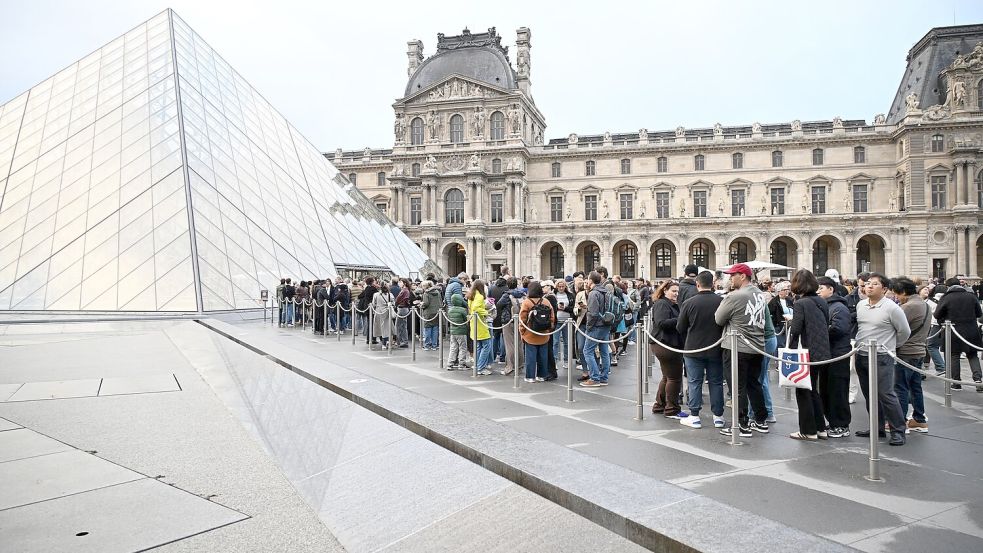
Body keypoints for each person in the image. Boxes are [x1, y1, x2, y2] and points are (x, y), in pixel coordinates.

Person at [854, 273, 910, 446]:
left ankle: (898, 431)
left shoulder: (892, 308)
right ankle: (876, 427)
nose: (869, 286)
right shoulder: (861, 305)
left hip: (882, 356)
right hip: (861, 354)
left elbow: (904, 332)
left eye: (875, 284)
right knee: (869, 395)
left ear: (884, 289)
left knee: (886, 394)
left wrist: (890, 346)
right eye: (868, 283)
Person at [714, 263, 769, 438]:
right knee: (754, 383)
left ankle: (741, 423)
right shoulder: (760, 294)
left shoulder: (735, 296)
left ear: (742, 276)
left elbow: (718, 319)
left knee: (737, 386)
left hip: (737, 346)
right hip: (757, 346)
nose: (730, 278)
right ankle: (761, 420)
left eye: (733, 275)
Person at [676, 271, 725, 429]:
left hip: (694, 347)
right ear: (713, 284)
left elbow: (680, 327)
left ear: (697, 284)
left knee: (694, 382)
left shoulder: (689, 303)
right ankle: (718, 416)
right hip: (716, 347)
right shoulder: (721, 301)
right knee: (716, 382)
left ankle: (695, 415)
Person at [786, 270, 830, 441]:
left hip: (806, 351)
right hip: (822, 351)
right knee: (813, 391)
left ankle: (807, 430)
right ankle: (820, 428)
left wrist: (789, 350)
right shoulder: (821, 301)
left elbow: (796, 329)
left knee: (803, 390)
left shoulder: (801, 303)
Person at [891, 277, 931, 433]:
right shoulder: (924, 304)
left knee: (900, 387)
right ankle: (919, 420)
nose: (896, 298)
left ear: (903, 292)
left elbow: (894, 327)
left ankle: (900, 421)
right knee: (915, 386)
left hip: (906, 352)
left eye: (896, 294)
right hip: (919, 350)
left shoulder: (908, 307)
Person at [817, 276, 852, 438]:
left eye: (821, 288)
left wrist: (819, 330)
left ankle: (841, 424)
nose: (818, 291)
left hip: (838, 354)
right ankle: (832, 421)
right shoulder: (827, 305)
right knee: (826, 389)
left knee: (838, 390)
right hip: (828, 353)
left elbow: (839, 328)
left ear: (831, 289)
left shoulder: (839, 307)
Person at [934, 277, 983, 392]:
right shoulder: (971, 296)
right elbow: (979, 313)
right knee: (972, 355)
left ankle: (956, 383)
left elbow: (937, 314)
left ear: (948, 286)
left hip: (953, 330)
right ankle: (978, 381)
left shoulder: (946, 297)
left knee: (954, 355)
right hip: (971, 329)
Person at [649, 280, 686, 418]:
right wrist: (682, 319)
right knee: (674, 378)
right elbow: (661, 323)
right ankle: (672, 409)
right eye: (673, 291)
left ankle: (659, 405)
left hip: (666, 343)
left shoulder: (669, 304)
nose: (676, 294)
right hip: (666, 344)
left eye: (677, 291)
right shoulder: (662, 303)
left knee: (667, 377)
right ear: (665, 290)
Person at [520, 281, 556, 383]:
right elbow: (552, 317)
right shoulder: (546, 301)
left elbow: (522, 318)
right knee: (543, 356)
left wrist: (522, 332)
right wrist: (549, 329)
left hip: (530, 333)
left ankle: (530, 376)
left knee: (531, 357)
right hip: (544, 333)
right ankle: (542, 375)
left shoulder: (526, 302)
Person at [580, 271, 612, 388]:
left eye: (587, 279)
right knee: (604, 352)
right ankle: (604, 377)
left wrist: (588, 327)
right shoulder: (605, 291)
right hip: (606, 324)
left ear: (591, 281)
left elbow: (592, 313)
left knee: (587, 351)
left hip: (596, 326)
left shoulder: (594, 293)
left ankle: (594, 378)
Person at [468, 279, 493, 375]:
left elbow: (472, 308)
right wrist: (486, 312)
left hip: (474, 322)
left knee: (478, 346)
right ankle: (481, 367)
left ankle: (477, 365)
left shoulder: (472, 295)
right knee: (486, 346)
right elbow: (476, 308)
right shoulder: (479, 296)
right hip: (480, 323)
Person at [921, 285, 946, 375]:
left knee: (931, 346)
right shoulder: (947, 298)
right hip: (948, 325)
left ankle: (941, 367)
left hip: (933, 325)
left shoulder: (929, 301)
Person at [446, 292, 472, 369]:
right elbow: (466, 320)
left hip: (453, 332)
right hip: (461, 331)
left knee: (453, 347)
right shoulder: (462, 310)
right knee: (463, 347)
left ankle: (450, 363)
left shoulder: (450, 310)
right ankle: (462, 363)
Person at [553, 279, 575, 370]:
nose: (561, 288)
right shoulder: (553, 295)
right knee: (555, 342)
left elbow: (573, 308)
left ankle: (566, 361)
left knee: (567, 342)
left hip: (567, 321)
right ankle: (554, 361)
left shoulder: (570, 295)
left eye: (563, 286)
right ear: (556, 286)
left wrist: (564, 308)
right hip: (557, 321)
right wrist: (557, 307)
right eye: (559, 286)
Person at [371, 281, 395, 347]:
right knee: (387, 328)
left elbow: (373, 304)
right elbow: (393, 303)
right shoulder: (390, 294)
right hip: (387, 312)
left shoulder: (376, 294)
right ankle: (386, 341)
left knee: (380, 328)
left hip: (379, 312)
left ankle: (383, 342)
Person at [420, 281, 441, 350]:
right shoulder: (437, 292)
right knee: (435, 329)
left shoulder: (426, 293)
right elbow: (440, 301)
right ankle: (434, 345)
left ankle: (427, 345)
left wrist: (421, 304)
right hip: (437, 312)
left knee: (428, 329)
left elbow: (426, 303)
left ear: (425, 286)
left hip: (428, 313)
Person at [394, 278, 412, 348]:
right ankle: (402, 341)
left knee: (400, 326)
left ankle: (402, 341)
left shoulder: (405, 291)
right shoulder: (404, 290)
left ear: (404, 283)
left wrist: (399, 303)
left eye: (400, 282)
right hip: (402, 308)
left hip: (402, 309)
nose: (399, 283)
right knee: (401, 326)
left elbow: (403, 299)